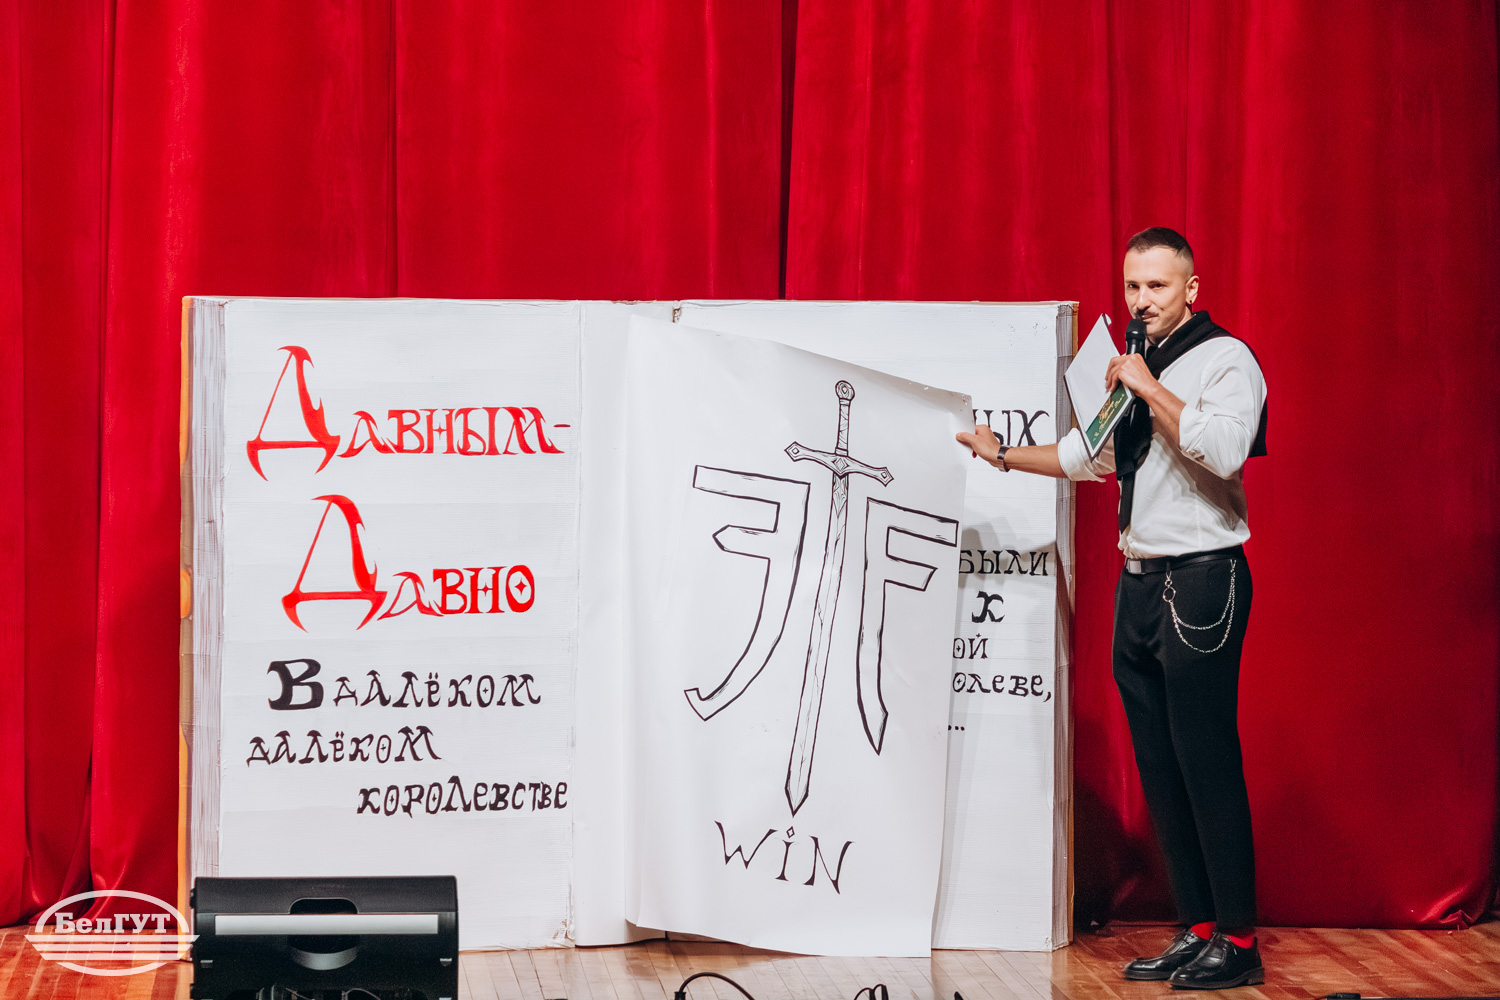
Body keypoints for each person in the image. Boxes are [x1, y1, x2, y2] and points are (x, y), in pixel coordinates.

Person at [958, 228, 1267, 990]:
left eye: (1157, 286)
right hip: (1140, 583)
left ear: (1190, 290)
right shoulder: (1134, 369)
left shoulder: (1226, 360)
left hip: (1202, 580)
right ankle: (1199, 929)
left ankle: (1240, 940)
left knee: (1206, 759)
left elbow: (1224, 449)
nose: (1142, 301)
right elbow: (1087, 455)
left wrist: (1148, 386)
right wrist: (1002, 454)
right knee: (1159, 765)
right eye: (1133, 287)